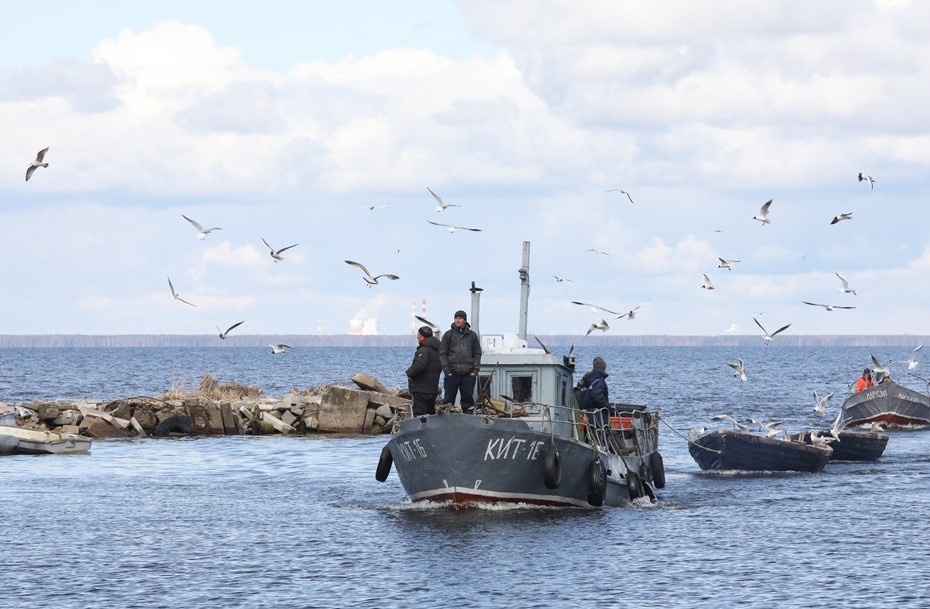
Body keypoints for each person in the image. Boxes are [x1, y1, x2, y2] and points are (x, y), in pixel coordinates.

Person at [439, 310, 482, 413]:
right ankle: (447, 422)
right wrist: (447, 371)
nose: (457, 320)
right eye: (456, 318)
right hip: (452, 374)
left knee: (467, 401)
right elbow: (442, 354)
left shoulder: (472, 336)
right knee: (448, 401)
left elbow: (477, 353)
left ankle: (468, 421)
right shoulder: (448, 335)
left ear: (465, 320)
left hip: (468, 374)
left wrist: (474, 371)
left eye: (460, 318)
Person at [406, 326, 443, 416]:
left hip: (421, 389)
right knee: (430, 414)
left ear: (423, 337)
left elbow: (419, 365)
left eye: (418, 335)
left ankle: (419, 430)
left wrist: (409, 373)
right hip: (432, 389)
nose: (417, 337)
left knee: (419, 415)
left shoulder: (423, 350)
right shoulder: (437, 351)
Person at [578, 356, 611, 425]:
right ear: (603, 368)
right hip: (596, 419)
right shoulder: (600, 382)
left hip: (584, 416)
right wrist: (608, 407)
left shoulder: (585, 379)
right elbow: (597, 396)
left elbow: (578, 391)